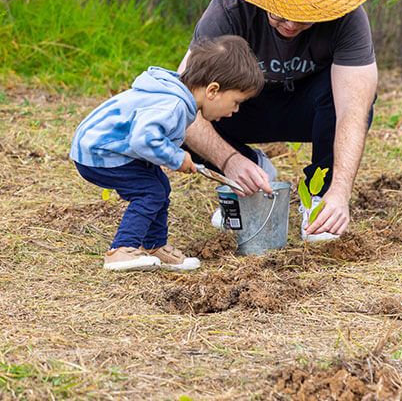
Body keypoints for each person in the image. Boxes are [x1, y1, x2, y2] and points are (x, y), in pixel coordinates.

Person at [180, 0, 378, 242]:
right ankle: (249, 175)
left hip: (310, 110)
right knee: (181, 114)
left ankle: (320, 202)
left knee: (357, 97)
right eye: (281, 12)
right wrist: (231, 161)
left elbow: (354, 110)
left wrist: (341, 191)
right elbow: (183, 100)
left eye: (304, 15)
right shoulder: (230, 9)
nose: (291, 24)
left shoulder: (348, 18)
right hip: (243, 110)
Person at [71, 35, 264, 271]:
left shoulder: (178, 97)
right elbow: (144, 138)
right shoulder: (174, 104)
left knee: (160, 186)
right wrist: (176, 157)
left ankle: (154, 245)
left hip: (113, 148)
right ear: (213, 90)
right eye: (236, 102)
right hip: (100, 151)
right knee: (149, 191)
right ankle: (121, 251)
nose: (235, 110)